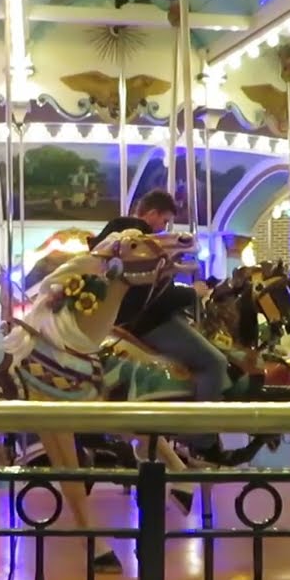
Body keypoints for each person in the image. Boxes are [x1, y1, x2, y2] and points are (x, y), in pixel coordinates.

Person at [88, 189, 229, 459]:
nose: (164, 229)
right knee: (214, 362)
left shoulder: (117, 236)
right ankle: (202, 440)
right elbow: (148, 295)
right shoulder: (136, 235)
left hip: (134, 317)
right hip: (146, 321)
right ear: (151, 214)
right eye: (164, 221)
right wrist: (192, 294)